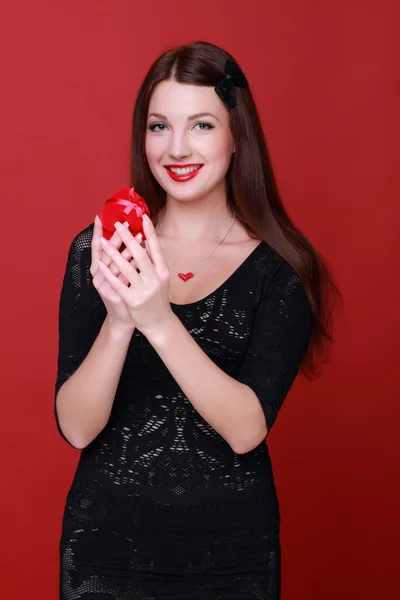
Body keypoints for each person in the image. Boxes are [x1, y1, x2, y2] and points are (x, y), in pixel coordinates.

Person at [55, 41, 340, 599]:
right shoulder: (99, 249)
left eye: (201, 125)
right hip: (104, 546)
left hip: (230, 555)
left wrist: (157, 320)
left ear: (237, 136)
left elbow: (245, 429)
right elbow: (76, 427)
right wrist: (118, 322)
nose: (177, 148)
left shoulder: (282, 269)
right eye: (159, 126)